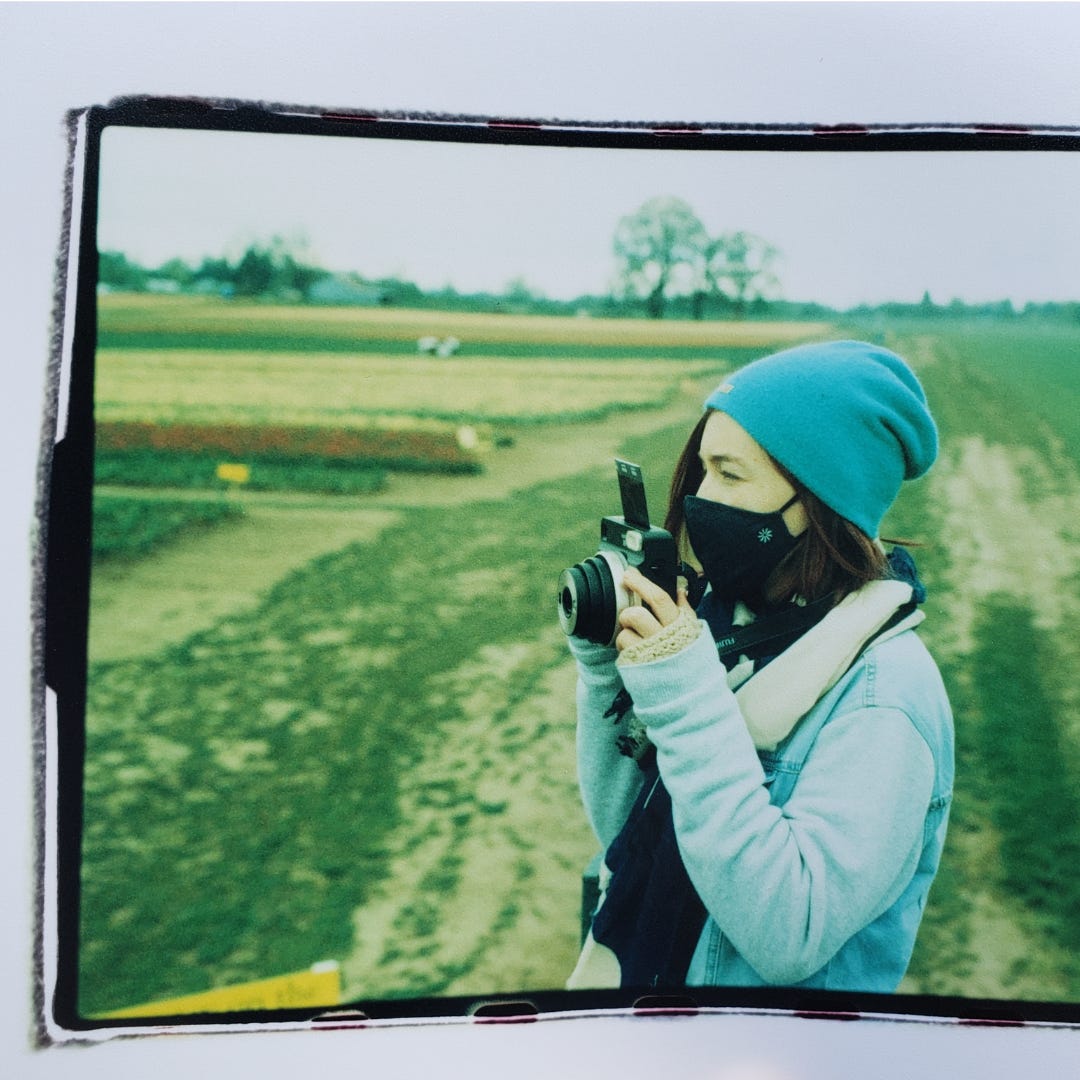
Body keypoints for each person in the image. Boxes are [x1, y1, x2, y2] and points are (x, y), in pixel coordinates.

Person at [566, 339, 954, 993]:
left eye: (730, 474)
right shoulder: (735, 628)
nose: (699, 499)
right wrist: (608, 669)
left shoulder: (883, 696)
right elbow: (630, 835)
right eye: (701, 472)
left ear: (818, 504)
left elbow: (790, 931)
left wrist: (688, 703)